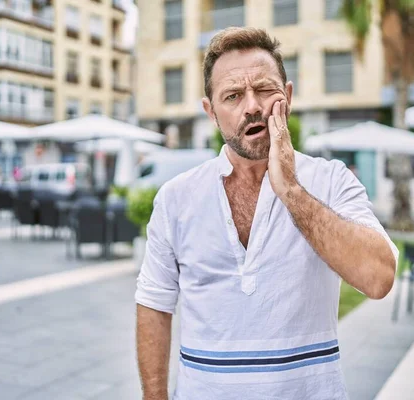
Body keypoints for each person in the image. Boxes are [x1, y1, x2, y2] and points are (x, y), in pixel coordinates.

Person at [135, 27, 398, 400]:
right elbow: (154, 304)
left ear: (287, 97)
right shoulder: (175, 198)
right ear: (211, 112)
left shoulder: (331, 180)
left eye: (264, 89)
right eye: (233, 96)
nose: (252, 106)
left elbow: (378, 278)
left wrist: (291, 190)